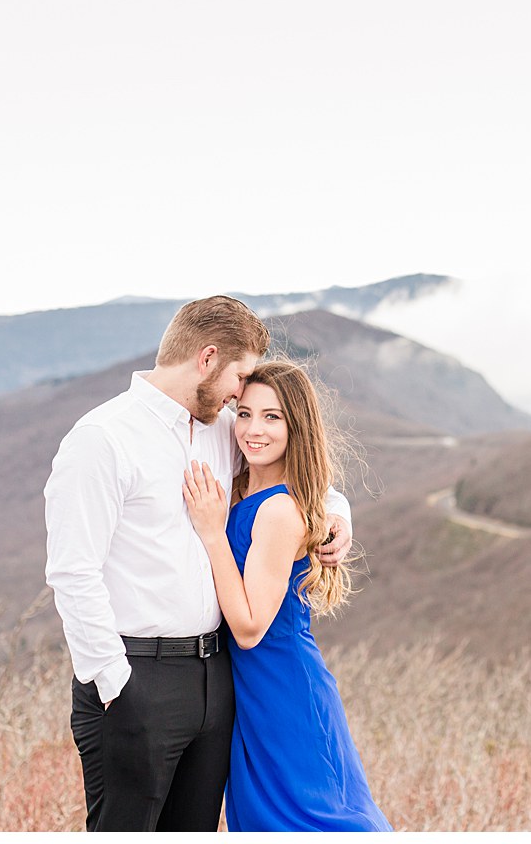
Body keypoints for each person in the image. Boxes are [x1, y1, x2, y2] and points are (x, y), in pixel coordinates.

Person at [43, 296, 353, 832]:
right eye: (240, 376)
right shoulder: (104, 439)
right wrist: (115, 684)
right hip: (136, 676)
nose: (242, 393)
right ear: (207, 359)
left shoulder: (218, 428)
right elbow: (73, 572)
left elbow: (293, 477)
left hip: (217, 676)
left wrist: (338, 514)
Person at [182, 359, 391, 831]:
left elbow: (251, 628)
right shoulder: (243, 488)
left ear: (297, 427)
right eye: (246, 413)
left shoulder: (278, 510)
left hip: (283, 687)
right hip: (250, 694)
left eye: (272, 417)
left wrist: (213, 534)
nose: (254, 429)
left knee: (312, 820)